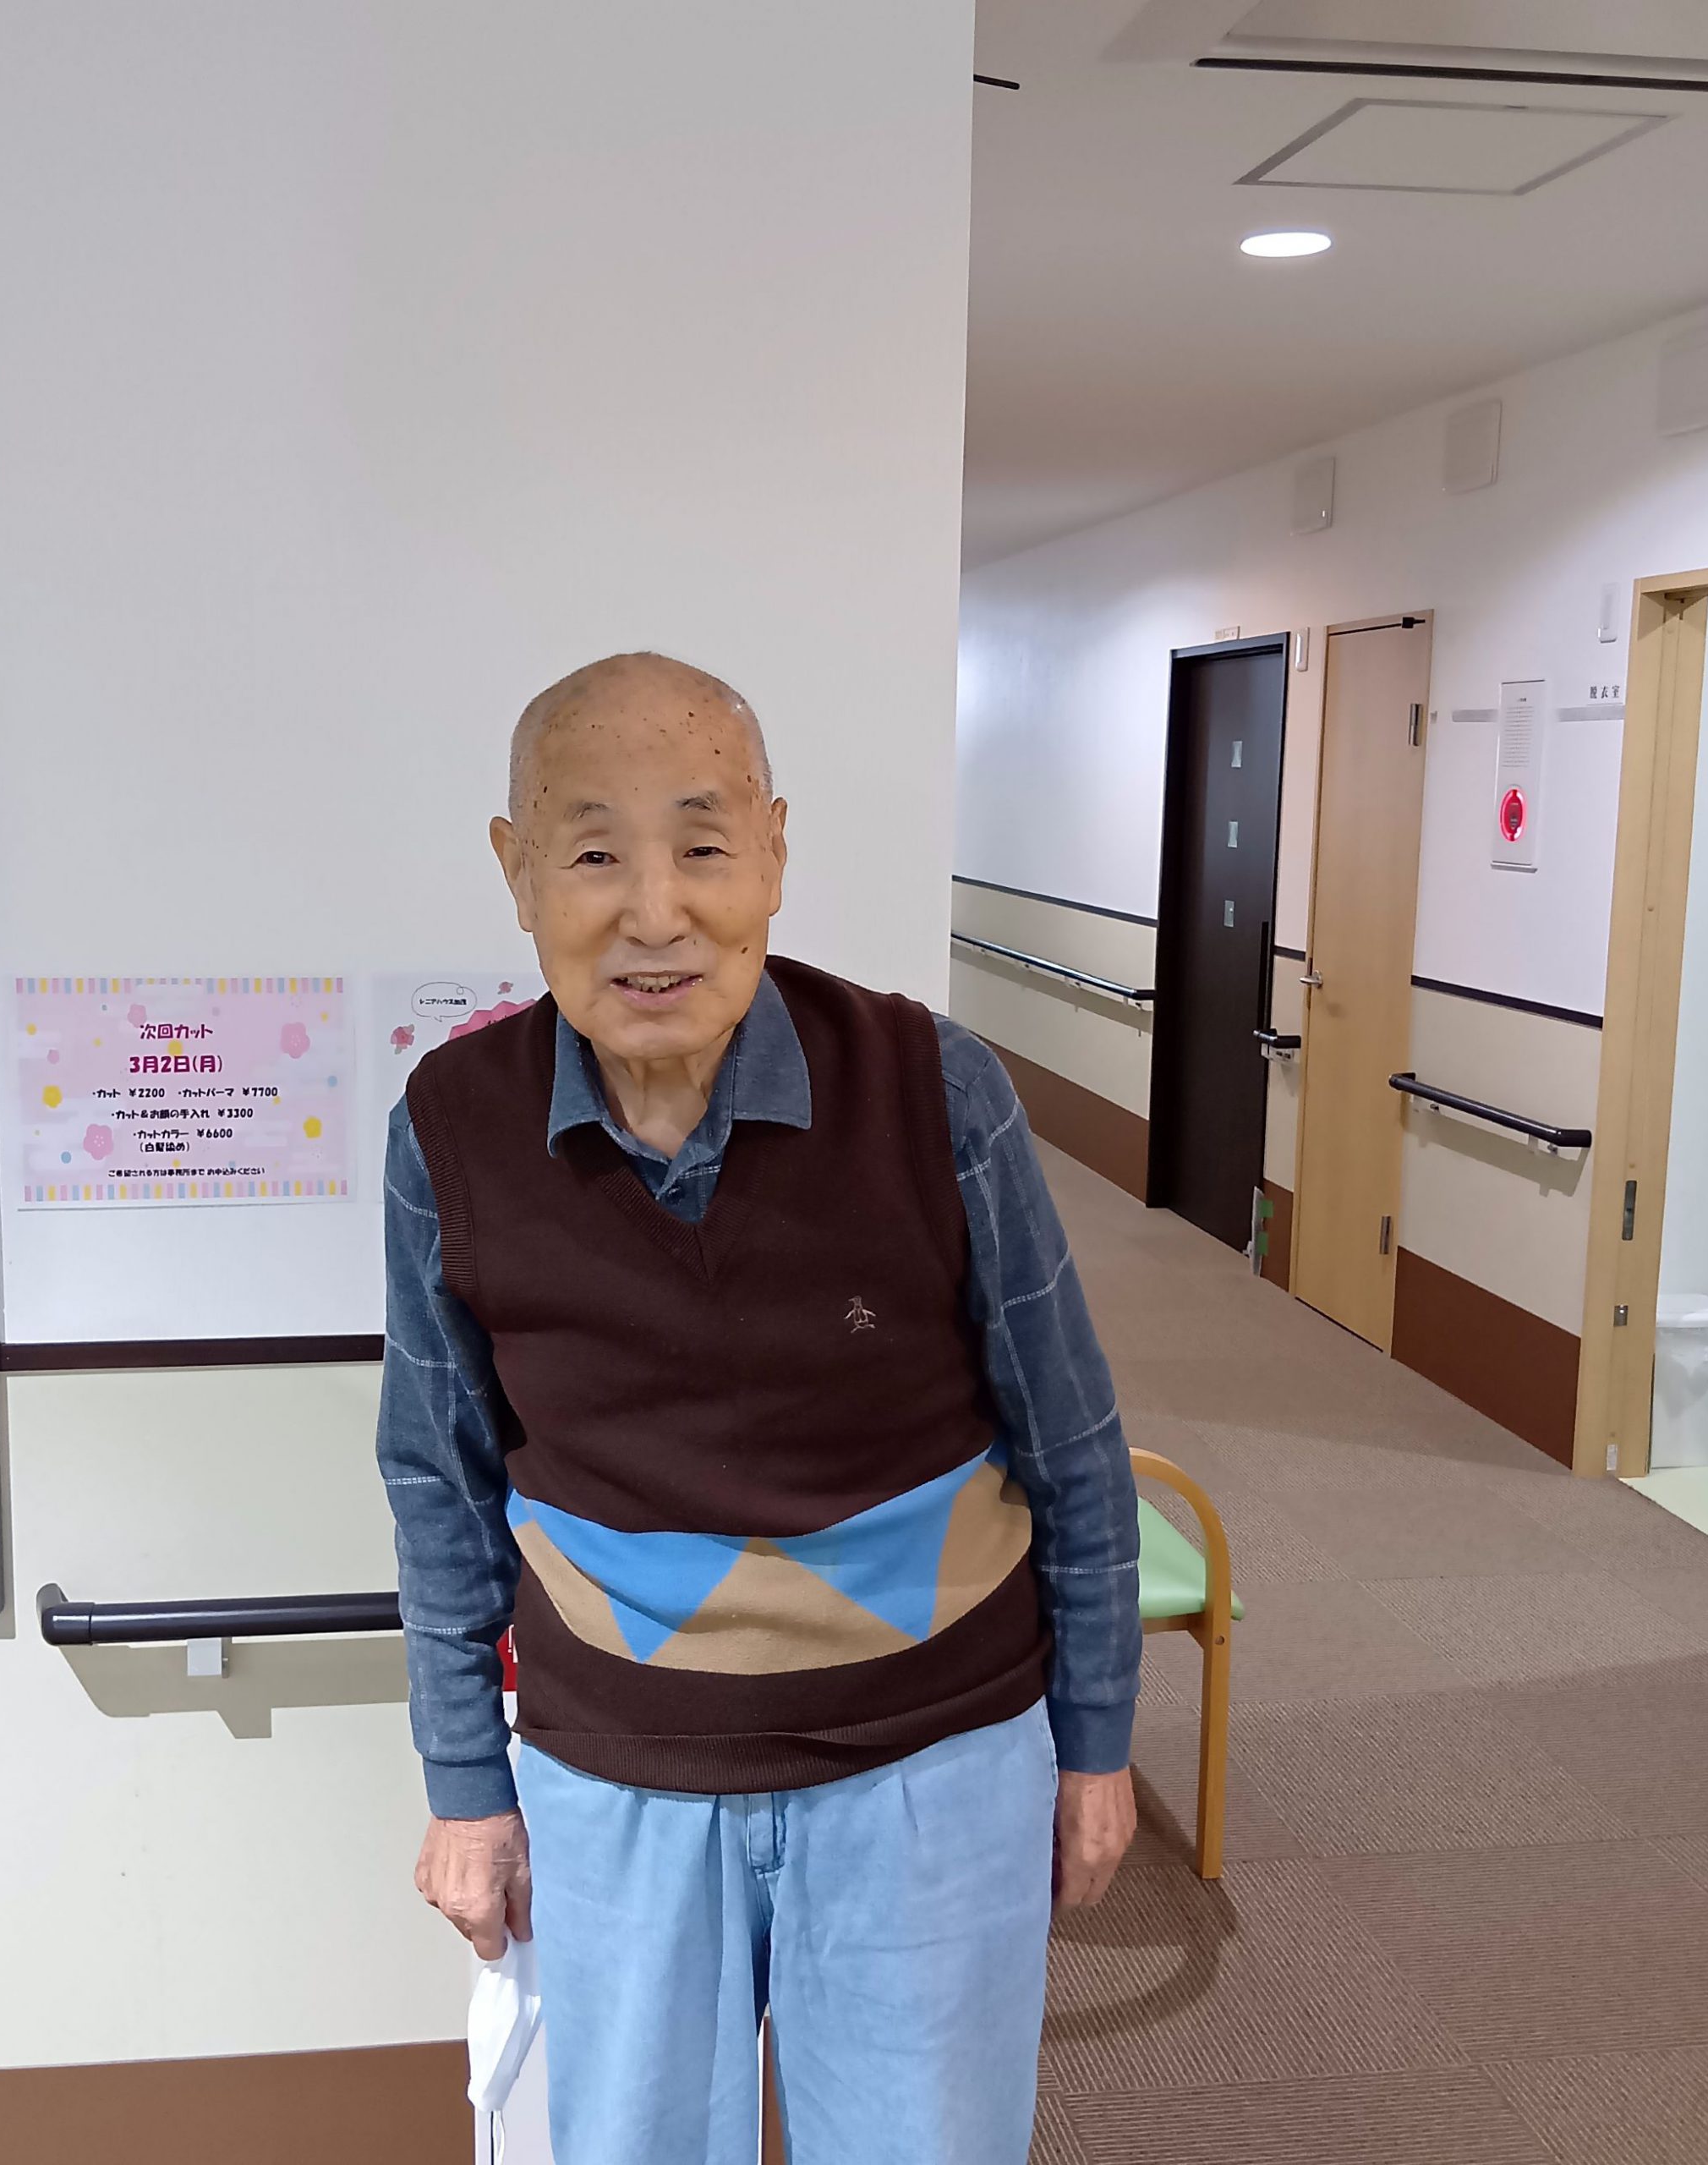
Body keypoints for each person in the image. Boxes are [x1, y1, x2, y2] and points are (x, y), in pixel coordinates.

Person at [375, 652, 1141, 2164]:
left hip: (936, 1763)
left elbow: (1074, 1440)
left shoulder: (936, 1089)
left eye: (704, 845)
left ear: (775, 856)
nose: (656, 912)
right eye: (594, 853)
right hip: (616, 1778)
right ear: (517, 871)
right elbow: (436, 1476)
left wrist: (1097, 1740)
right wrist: (465, 1784)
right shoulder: (450, 1129)